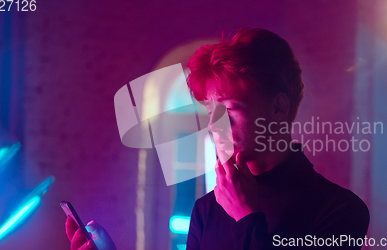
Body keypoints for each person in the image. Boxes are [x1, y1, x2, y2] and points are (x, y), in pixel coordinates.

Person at [65, 28, 369, 250]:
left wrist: (247, 218)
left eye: (230, 109)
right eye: (211, 110)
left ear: (278, 107)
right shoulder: (207, 210)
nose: (213, 125)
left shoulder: (340, 210)